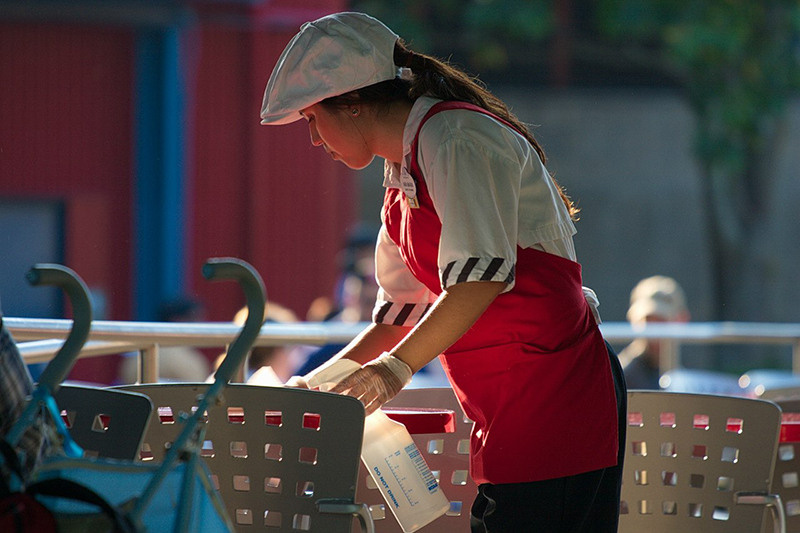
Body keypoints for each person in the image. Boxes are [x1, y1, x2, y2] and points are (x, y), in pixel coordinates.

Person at [260, 12, 626, 532]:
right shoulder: (400, 178)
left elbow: (479, 281)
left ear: (354, 102)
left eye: (313, 119)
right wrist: (317, 384)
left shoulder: (455, 136)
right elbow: (397, 317)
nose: (314, 139)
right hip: (502, 404)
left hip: (555, 388)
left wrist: (392, 372)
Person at [618, 275, 690, 390]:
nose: (654, 330)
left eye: (662, 320)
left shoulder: (684, 376)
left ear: (682, 320)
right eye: (648, 320)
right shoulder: (620, 376)